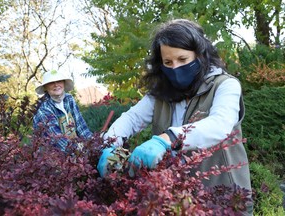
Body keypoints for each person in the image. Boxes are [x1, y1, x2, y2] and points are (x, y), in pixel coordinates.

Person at [97, 19, 253, 214]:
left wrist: (169, 138)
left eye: (183, 59)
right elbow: (131, 118)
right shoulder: (161, 94)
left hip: (223, 197)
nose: (175, 68)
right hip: (179, 199)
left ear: (200, 55)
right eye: (168, 62)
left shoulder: (225, 85)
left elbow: (220, 124)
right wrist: (110, 143)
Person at [33, 70, 93, 152]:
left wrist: (92, 142)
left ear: (64, 83)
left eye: (59, 81)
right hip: (52, 156)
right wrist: (79, 150)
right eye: (51, 83)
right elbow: (57, 140)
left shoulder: (69, 99)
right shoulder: (44, 109)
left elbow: (81, 126)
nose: (56, 84)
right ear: (45, 88)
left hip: (73, 149)